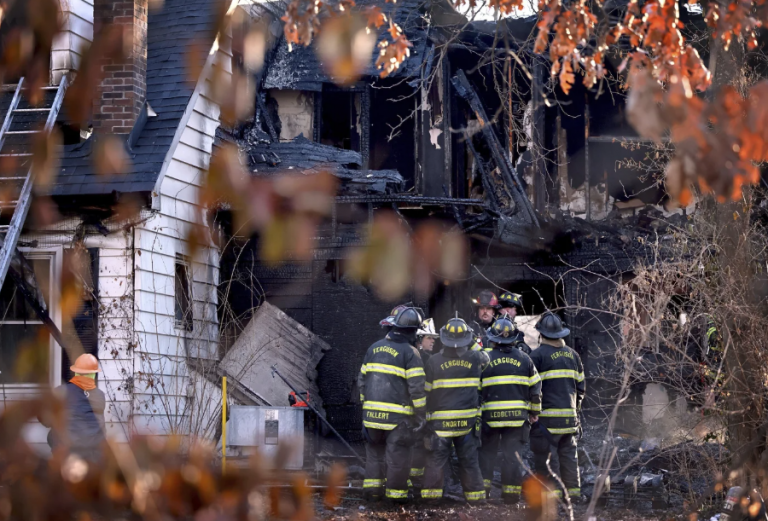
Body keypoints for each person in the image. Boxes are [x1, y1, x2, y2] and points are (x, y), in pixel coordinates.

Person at [358, 307, 427, 503]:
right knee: (398, 459)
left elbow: (361, 382)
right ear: (412, 331)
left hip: (371, 418)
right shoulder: (411, 353)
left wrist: (368, 407)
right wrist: (421, 416)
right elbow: (417, 390)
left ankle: (372, 493)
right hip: (397, 420)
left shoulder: (373, 348)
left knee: (374, 456)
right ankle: (395, 500)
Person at [421, 317, 489, 504]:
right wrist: (473, 341)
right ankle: (476, 500)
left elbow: (426, 392)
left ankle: (431, 501)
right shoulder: (475, 358)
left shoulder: (433, 362)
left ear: (444, 338)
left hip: (441, 425)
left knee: (435, 462)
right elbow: (487, 358)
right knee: (469, 462)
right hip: (467, 424)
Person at [479, 317, 542, 503]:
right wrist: (534, 413)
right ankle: (511, 496)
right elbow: (536, 390)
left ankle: (484, 493)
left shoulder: (485, 358)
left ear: (493, 338)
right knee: (513, 458)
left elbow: (476, 389)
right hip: (517, 420)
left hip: (489, 418)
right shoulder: (525, 359)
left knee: (487, 455)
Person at [529, 312, 585, 502]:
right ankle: (574, 495)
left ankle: (552, 497)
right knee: (569, 457)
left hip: (545, 422)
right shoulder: (573, 355)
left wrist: (532, 413)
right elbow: (581, 388)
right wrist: (575, 411)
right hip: (570, 420)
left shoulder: (536, 356)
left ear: (541, 334)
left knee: (545, 460)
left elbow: (531, 389)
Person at [40, 353, 106, 459]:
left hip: (68, 452)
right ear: (94, 374)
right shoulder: (100, 395)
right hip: (94, 453)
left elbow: (45, 420)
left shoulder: (61, 392)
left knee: (51, 436)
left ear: (75, 372)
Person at [410, 318, 440, 490]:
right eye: (429, 337)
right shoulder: (422, 358)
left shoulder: (427, 358)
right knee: (417, 447)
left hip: (421, 411)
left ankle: (416, 481)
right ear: (419, 339)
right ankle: (415, 481)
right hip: (416, 411)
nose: (433, 340)